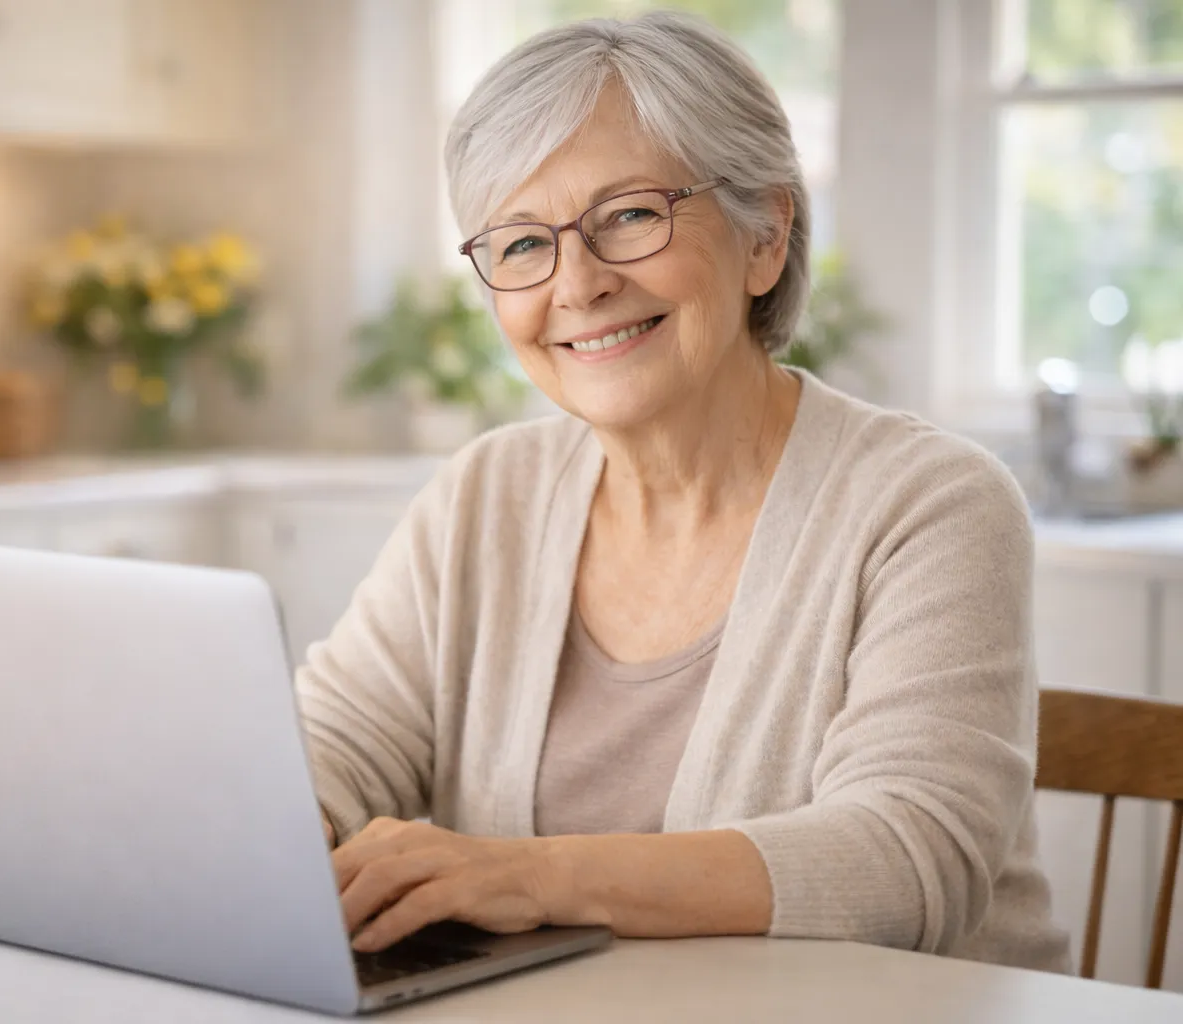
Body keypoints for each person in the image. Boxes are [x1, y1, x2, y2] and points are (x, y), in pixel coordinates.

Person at [297, 10, 1071, 973]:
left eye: (630, 216)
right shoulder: (487, 494)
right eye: (522, 243)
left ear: (766, 236)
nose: (577, 285)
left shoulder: (930, 504)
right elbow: (333, 740)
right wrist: (289, 816)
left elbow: (905, 861)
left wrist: (532, 875)